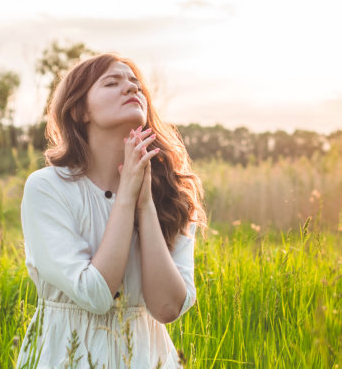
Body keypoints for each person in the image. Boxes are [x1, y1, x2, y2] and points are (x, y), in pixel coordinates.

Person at [16, 52, 207, 368]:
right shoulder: (47, 188)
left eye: (136, 85)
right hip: (69, 355)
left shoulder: (172, 195)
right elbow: (95, 295)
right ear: (80, 110)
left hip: (147, 357)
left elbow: (166, 308)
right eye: (112, 82)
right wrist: (125, 199)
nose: (132, 89)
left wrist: (144, 205)